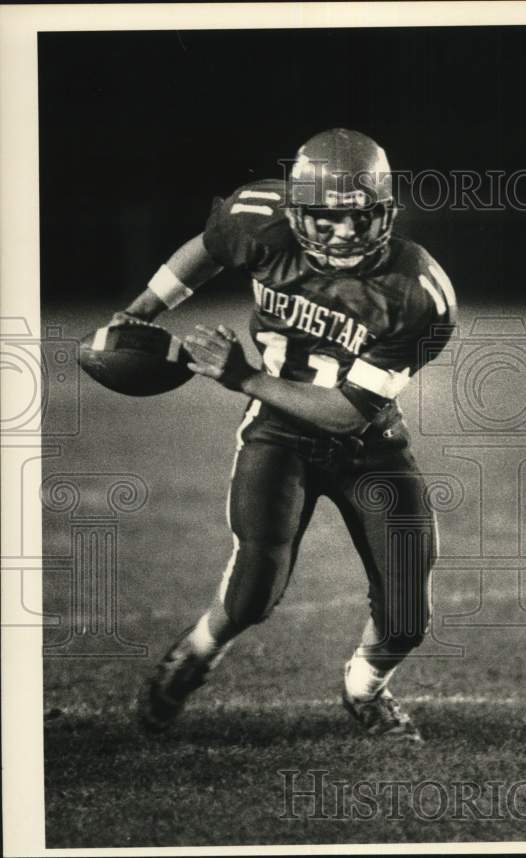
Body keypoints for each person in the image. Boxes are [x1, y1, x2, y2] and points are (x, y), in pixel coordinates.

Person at [121, 128, 456, 742]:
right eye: (327, 221)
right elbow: (208, 248)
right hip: (278, 435)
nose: (346, 235)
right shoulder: (259, 219)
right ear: (296, 213)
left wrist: (242, 375)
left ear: (387, 213)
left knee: (408, 612)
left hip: (369, 443)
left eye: (361, 219)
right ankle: (193, 655)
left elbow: (348, 413)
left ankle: (365, 687)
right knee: (253, 590)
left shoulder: (417, 293)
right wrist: (144, 308)